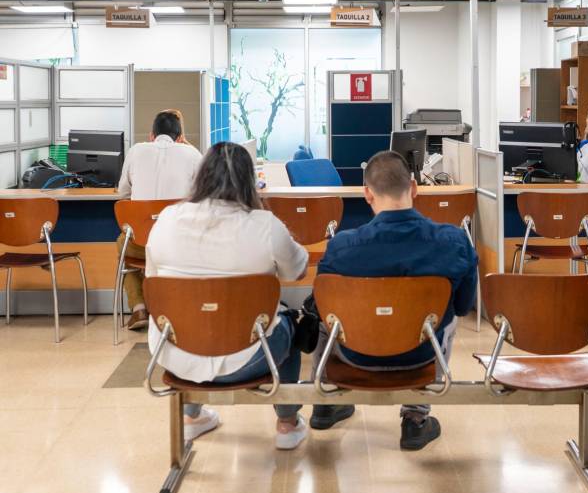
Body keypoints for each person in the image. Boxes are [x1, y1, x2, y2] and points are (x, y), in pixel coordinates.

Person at [145, 142, 309, 448]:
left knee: (190, 315)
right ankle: (287, 423)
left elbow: (154, 284)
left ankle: (192, 416)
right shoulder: (265, 226)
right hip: (249, 358)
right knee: (288, 321)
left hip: (177, 354)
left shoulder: (166, 219)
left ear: (200, 176)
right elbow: (296, 271)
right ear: (250, 180)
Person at [312, 151, 479, 451]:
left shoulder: (341, 248)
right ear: (414, 188)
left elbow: (320, 307)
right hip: (421, 355)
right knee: (449, 314)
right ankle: (415, 418)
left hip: (355, 357)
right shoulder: (454, 242)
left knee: (326, 313)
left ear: (367, 194)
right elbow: (465, 307)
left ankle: (324, 402)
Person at [116, 110, 202, 330]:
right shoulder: (192, 154)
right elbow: (205, 195)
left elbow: (123, 196)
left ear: (151, 135)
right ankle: (182, 308)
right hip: (180, 243)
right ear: (180, 136)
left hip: (140, 244)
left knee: (122, 245)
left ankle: (138, 308)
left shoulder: (136, 151)